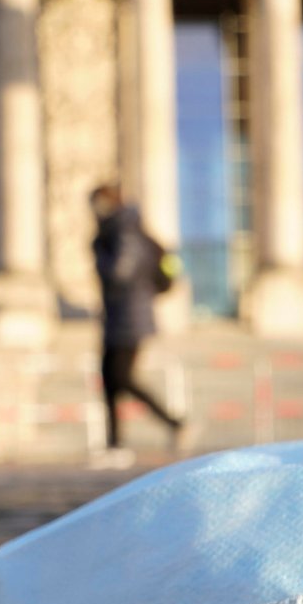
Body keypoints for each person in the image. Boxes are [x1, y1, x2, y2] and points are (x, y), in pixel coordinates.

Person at [91, 185, 192, 466]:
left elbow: (119, 272)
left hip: (129, 318)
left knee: (120, 378)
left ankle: (174, 423)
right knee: (111, 380)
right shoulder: (125, 229)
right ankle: (114, 445)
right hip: (120, 316)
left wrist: (99, 252)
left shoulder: (122, 231)